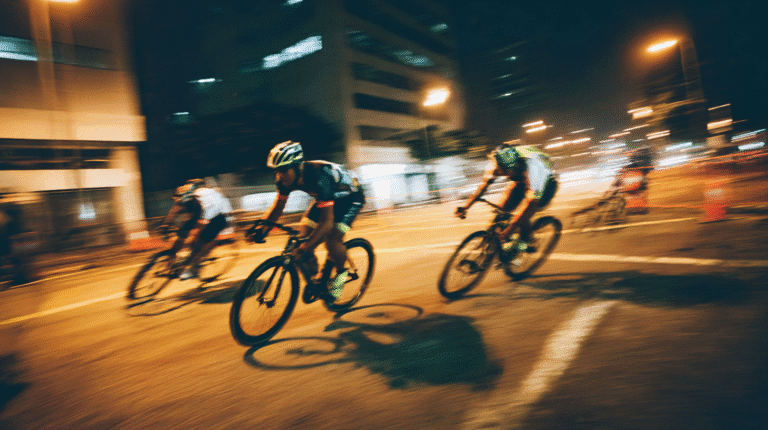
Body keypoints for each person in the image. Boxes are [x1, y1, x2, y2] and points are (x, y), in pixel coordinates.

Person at [247, 141, 365, 302]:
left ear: (296, 167)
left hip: (351, 199)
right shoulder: (285, 180)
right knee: (303, 237)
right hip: (327, 198)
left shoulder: (319, 175)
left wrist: (306, 248)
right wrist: (262, 228)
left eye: (283, 170)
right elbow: (277, 208)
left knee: (332, 241)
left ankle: (340, 278)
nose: (279, 176)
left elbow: (327, 222)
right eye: (276, 171)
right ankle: (317, 279)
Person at [455, 143, 558, 255]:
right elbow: (482, 187)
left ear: (516, 165)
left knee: (523, 213)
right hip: (522, 179)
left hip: (547, 183)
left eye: (506, 172)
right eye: (500, 171)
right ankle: (491, 244)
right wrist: (466, 207)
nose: (502, 174)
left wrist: (510, 230)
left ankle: (528, 241)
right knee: (502, 210)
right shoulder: (496, 164)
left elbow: (531, 204)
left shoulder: (534, 168)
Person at [158, 178, 233, 280]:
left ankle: (194, 268)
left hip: (218, 217)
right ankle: (172, 261)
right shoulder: (185, 195)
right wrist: (166, 225)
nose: (180, 204)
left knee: (200, 242)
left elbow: (202, 223)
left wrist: (194, 238)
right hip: (199, 214)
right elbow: (175, 210)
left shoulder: (204, 202)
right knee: (182, 234)